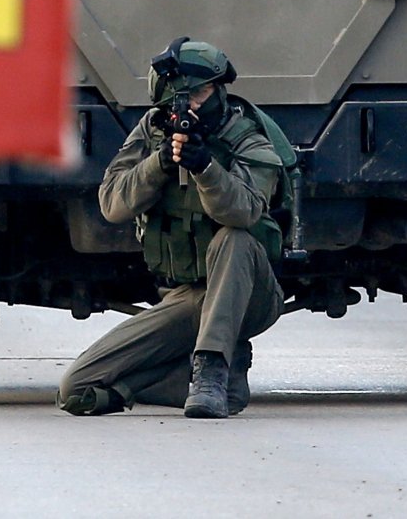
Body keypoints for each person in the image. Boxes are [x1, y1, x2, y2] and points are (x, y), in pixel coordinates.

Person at [57, 37, 289, 419]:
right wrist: (161, 162)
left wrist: (205, 168)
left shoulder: (247, 137)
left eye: (199, 93)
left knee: (234, 240)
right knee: (78, 389)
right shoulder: (153, 131)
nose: (190, 106)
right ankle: (217, 381)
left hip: (249, 296)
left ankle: (212, 370)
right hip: (186, 297)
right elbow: (112, 204)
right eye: (180, 97)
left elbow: (243, 213)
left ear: (219, 89)